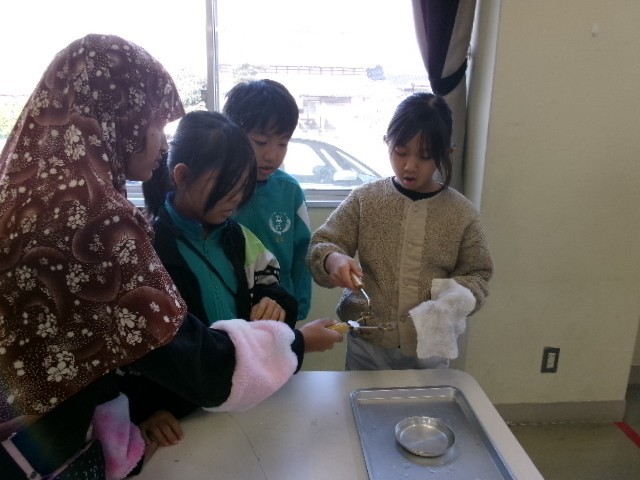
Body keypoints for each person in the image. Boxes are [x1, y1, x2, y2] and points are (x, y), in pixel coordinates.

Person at [0, 34, 342, 480]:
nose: (163, 145)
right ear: (120, 118)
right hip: (36, 445)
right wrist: (295, 343)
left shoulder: (32, 191)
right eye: (157, 125)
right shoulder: (94, 220)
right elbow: (197, 366)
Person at [123, 110, 300, 445]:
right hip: (181, 415)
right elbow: (134, 348)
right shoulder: (148, 248)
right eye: (226, 186)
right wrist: (144, 408)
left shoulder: (240, 238)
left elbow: (272, 283)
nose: (236, 198)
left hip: (241, 399)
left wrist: (274, 300)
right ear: (182, 175)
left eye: (243, 187)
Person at [307, 92, 493, 371]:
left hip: (430, 347)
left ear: (446, 153)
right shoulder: (366, 199)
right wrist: (333, 259)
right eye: (401, 151)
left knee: (427, 400)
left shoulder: (461, 213)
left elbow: (478, 273)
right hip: (368, 345)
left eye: (425, 156)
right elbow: (323, 242)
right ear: (387, 142)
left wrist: (450, 301)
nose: (409, 165)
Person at [222, 79, 312, 321]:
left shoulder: (289, 191)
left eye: (283, 143)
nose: (272, 155)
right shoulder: (217, 191)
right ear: (233, 134)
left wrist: (297, 307)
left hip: (279, 313)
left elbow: (303, 254)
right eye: (261, 142)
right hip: (230, 313)